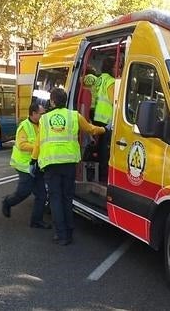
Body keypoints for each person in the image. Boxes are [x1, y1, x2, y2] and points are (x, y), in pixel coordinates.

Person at [31, 87, 109, 246]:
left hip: (51, 164)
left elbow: (39, 142)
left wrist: (33, 160)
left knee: (55, 199)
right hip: (69, 164)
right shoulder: (74, 116)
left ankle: (61, 235)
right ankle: (70, 232)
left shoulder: (44, 119)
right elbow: (90, 129)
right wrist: (106, 129)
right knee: (67, 198)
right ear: (65, 101)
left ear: (52, 101)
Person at [1, 102, 51, 229]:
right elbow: (22, 145)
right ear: (33, 114)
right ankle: (7, 202)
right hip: (25, 165)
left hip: (38, 165)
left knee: (42, 195)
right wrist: (39, 147)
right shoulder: (24, 126)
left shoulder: (42, 124)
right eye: (42, 113)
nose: (44, 115)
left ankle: (36, 221)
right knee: (24, 192)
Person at [92, 58, 115, 183]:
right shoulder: (110, 81)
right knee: (106, 150)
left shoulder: (100, 79)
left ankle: (100, 173)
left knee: (100, 148)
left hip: (98, 117)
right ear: (111, 67)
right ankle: (104, 176)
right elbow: (114, 102)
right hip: (107, 120)